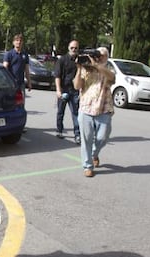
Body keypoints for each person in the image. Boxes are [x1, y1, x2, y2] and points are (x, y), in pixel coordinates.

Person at [73, 47, 115, 177]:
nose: (99, 57)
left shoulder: (109, 69)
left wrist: (98, 65)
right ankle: (88, 165)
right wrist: (79, 69)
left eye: (101, 56)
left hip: (104, 109)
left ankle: (94, 154)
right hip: (86, 108)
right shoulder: (87, 68)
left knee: (103, 137)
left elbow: (112, 78)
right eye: (97, 55)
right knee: (86, 139)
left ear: (106, 57)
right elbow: (77, 86)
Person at [54, 40, 80, 144]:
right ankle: (59, 130)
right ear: (68, 48)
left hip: (74, 91)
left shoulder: (79, 61)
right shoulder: (62, 60)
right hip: (63, 89)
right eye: (72, 48)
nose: (74, 50)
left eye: (76, 48)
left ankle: (77, 134)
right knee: (60, 112)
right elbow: (57, 76)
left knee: (75, 113)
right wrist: (58, 90)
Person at [3, 34, 31, 132]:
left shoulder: (25, 54)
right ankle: (8, 125)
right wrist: (5, 81)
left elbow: (27, 69)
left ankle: (21, 125)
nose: (18, 42)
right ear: (13, 42)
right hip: (10, 84)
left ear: (22, 42)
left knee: (21, 105)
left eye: (20, 40)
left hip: (21, 84)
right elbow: (5, 68)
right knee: (9, 104)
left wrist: (29, 82)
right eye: (16, 40)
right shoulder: (9, 54)